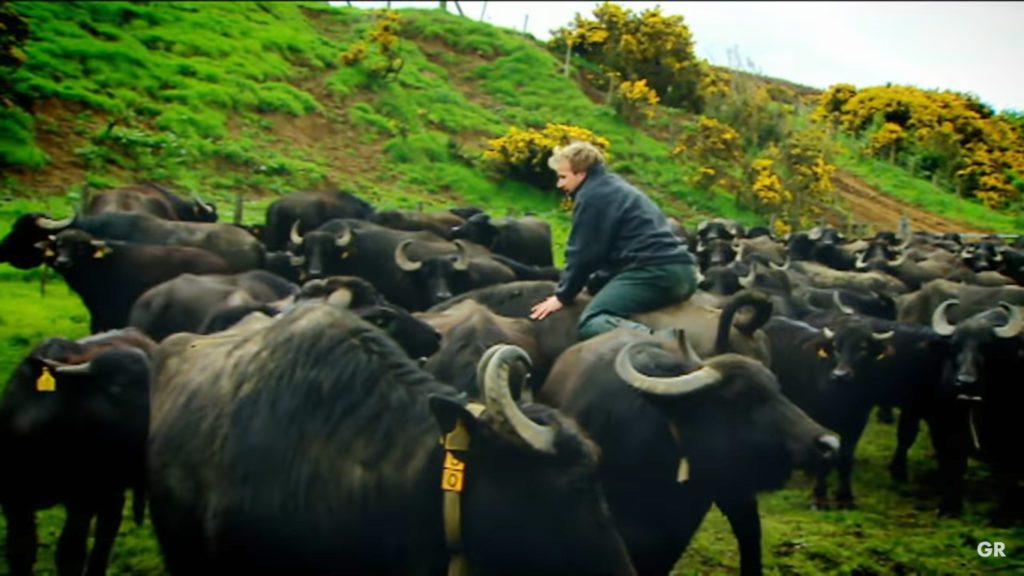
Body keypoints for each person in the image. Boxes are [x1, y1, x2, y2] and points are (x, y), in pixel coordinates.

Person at [529, 140, 697, 340]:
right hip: (684, 273)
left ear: (581, 174)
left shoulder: (592, 196)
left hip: (655, 274)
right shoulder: (617, 187)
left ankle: (660, 342)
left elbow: (584, 254)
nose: (560, 184)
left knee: (592, 321)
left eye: (563, 177)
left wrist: (563, 295)